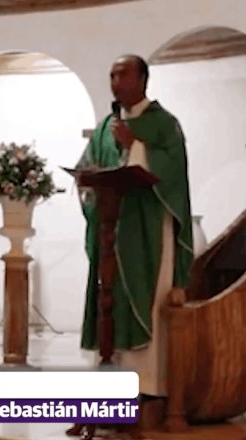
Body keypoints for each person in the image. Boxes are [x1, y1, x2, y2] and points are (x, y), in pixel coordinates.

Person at [75, 54, 194, 401]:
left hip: (146, 231)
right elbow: (88, 167)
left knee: (145, 299)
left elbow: (173, 172)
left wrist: (136, 146)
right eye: (111, 74)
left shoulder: (164, 125)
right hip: (111, 230)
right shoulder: (104, 127)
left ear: (143, 79)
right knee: (108, 302)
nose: (115, 81)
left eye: (122, 74)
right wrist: (86, 185)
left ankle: (147, 387)